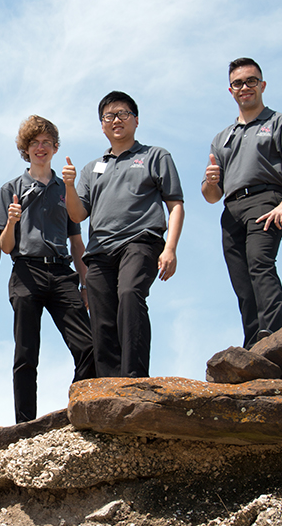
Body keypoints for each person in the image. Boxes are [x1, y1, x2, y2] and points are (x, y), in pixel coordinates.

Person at [63, 92, 184, 378]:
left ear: (136, 120)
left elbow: (175, 204)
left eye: (123, 114)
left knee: (130, 295)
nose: (116, 120)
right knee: (103, 316)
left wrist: (170, 248)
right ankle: (109, 385)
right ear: (102, 126)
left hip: (141, 241)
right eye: (109, 116)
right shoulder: (91, 168)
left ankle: (134, 378)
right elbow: (78, 215)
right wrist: (69, 186)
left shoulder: (155, 156)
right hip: (100, 250)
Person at [201, 58, 282, 349]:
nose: (245, 87)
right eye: (238, 83)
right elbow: (211, 196)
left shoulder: (280, 122)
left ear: (262, 85)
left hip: (267, 200)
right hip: (231, 208)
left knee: (260, 264)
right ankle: (253, 345)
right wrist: (211, 182)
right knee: (241, 279)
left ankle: (274, 337)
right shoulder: (222, 137)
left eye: (251, 81)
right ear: (231, 90)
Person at [0, 115, 95, 424]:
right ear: (24, 149)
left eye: (46, 143)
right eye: (34, 143)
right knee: (26, 354)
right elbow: (4, 246)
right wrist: (13, 221)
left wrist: (85, 283)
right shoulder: (10, 188)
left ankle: (81, 412)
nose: (40, 148)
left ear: (55, 148)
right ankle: (25, 425)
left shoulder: (66, 188)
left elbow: (77, 241)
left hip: (61, 271)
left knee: (88, 345)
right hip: (25, 271)